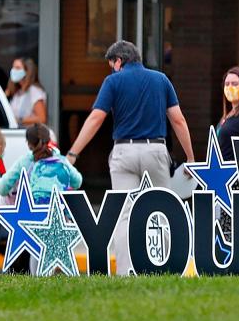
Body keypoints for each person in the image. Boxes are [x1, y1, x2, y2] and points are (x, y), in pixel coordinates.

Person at [65, 40, 195, 276]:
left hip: (124, 151)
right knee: (161, 208)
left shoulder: (113, 81)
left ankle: (125, 271)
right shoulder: (161, 80)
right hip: (155, 150)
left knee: (124, 213)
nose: (111, 70)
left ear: (119, 61)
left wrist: (74, 152)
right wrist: (190, 156)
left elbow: (96, 118)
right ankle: (164, 266)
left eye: (111, 65)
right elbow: (178, 120)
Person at [0, 124, 82, 275]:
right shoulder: (61, 160)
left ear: (29, 144)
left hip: (35, 215)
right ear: (49, 140)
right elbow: (78, 181)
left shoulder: (25, 161)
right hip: (60, 216)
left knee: (37, 251)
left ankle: (38, 278)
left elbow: (2, 188)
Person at [6, 57, 47, 127]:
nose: (13, 70)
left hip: (31, 134)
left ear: (27, 71)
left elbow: (42, 118)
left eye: (18, 68)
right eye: (13, 68)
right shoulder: (18, 93)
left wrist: (20, 120)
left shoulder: (34, 91)